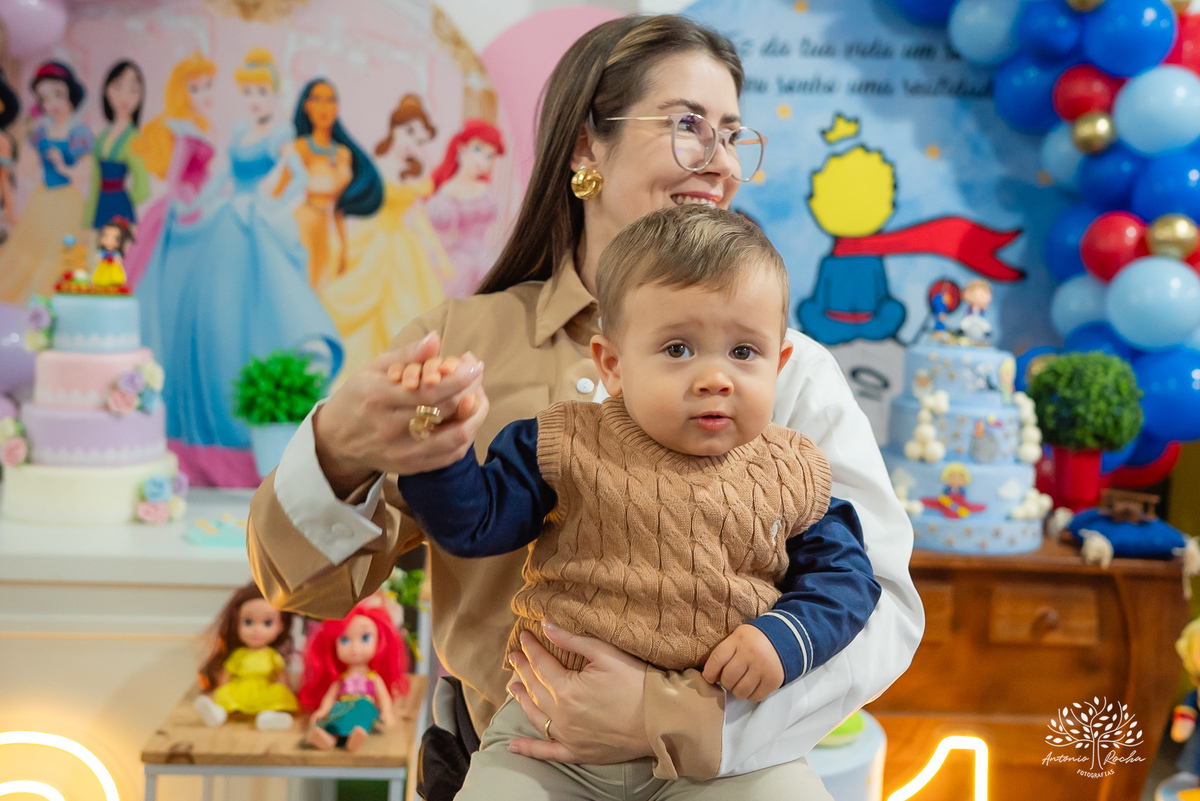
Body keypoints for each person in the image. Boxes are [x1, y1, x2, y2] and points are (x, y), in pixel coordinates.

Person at [247, 13, 922, 795]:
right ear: (584, 148)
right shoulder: (461, 343)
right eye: (687, 125)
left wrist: (674, 718)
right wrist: (338, 446)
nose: (722, 163)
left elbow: (876, 605)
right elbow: (303, 586)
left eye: (733, 134)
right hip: (515, 763)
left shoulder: (789, 370)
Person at [393, 205, 879, 798]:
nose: (716, 378)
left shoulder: (794, 469)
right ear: (613, 365)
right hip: (551, 735)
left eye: (743, 353)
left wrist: (784, 638)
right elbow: (475, 524)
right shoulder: (562, 442)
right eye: (678, 349)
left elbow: (846, 578)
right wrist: (440, 456)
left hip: (720, 748)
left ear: (778, 365)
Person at [321, 93, 452, 378]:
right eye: (409, 133)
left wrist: (438, 255)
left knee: (404, 309)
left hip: (403, 246)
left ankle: (392, 373)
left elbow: (418, 218)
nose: (412, 144)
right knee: (359, 300)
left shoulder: (413, 175)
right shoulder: (376, 165)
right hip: (373, 240)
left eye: (420, 139)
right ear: (395, 129)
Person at [274, 78, 383, 288]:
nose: (324, 107)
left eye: (330, 100)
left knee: (326, 283)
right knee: (304, 281)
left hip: (329, 227)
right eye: (317, 99)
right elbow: (279, 192)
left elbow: (339, 208)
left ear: (337, 107)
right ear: (307, 106)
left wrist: (344, 245)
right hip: (304, 222)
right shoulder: (302, 147)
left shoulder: (343, 153)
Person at [0, 61, 92, 303]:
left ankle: (53, 298)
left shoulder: (79, 133)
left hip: (66, 199)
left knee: (61, 249)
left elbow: (87, 171)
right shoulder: (41, 132)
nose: (52, 104)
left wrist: (63, 166)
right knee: (31, 246)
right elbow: (26, 168)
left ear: (71, 94)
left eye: (58, 95)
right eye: (45, 98)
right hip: (42, 198)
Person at [425, 119, 506, 297]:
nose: (482, 160)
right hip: (456, 264)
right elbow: (438, 239)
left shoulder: (486, 191)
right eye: (477, 150)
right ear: (461, 148)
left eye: (489, 156)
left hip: (483, 260)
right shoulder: (446, 193)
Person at [84, 60, 149, 234]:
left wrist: (122, 203)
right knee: (96, 249)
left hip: (120, 214)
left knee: (116, 250)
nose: (124, 96)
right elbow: (95, 183)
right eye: (118, 87)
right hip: (100, 209)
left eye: (133, 90)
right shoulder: (101, 138)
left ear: (140, 96)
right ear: (107, 90)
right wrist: (87, 220)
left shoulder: (134, 138)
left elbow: (143, 188)